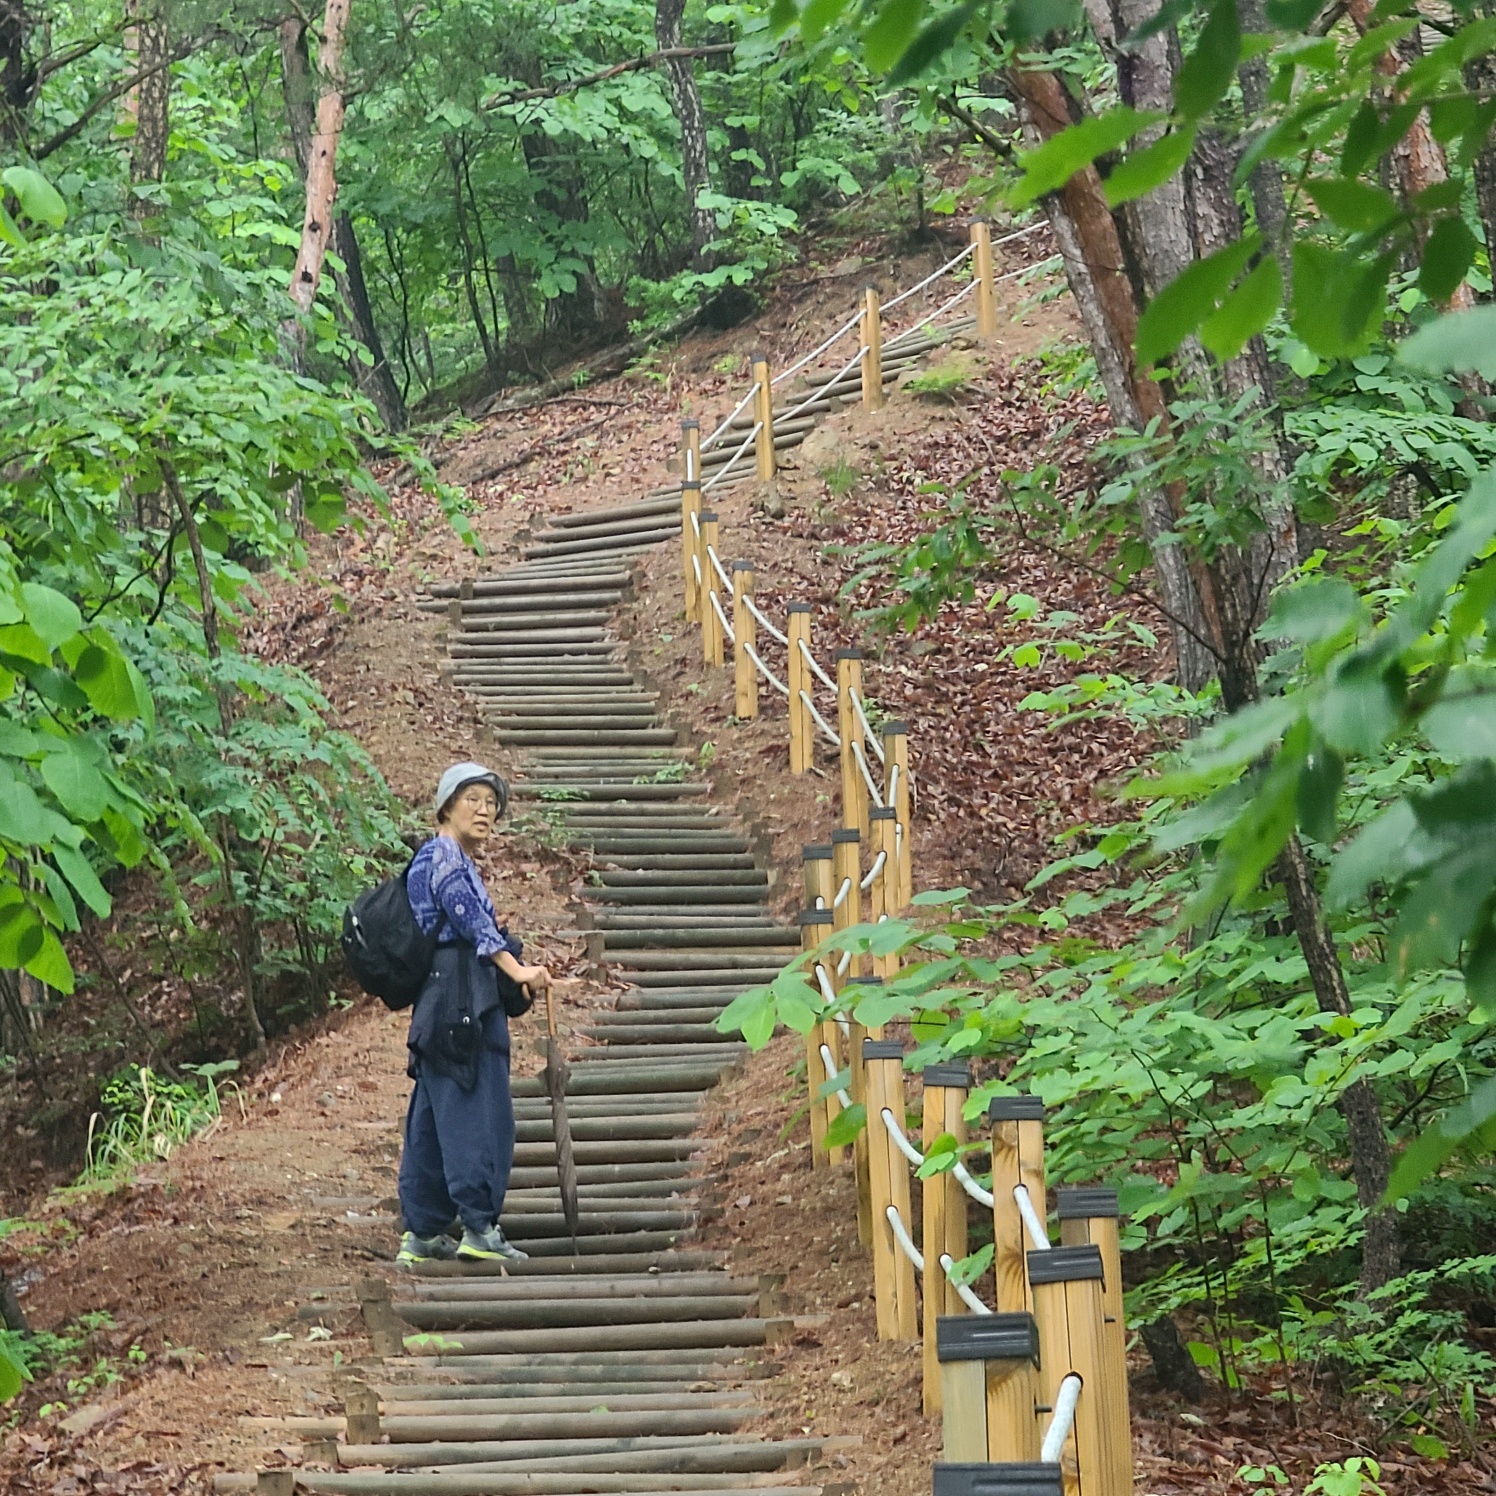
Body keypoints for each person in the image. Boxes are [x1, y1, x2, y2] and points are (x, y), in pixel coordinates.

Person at [396, 761, 550, 1265]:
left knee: (433, 1113)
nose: (485, 811)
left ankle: (422, 1232)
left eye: (491, 804)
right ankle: (479, 1229)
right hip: (461, 1000)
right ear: (446, 806)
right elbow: (466, 915)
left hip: (441, 1000)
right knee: (476, 1111)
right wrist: (517, 969)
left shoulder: (436, 856)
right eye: (473, 800)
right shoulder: (444, 854)